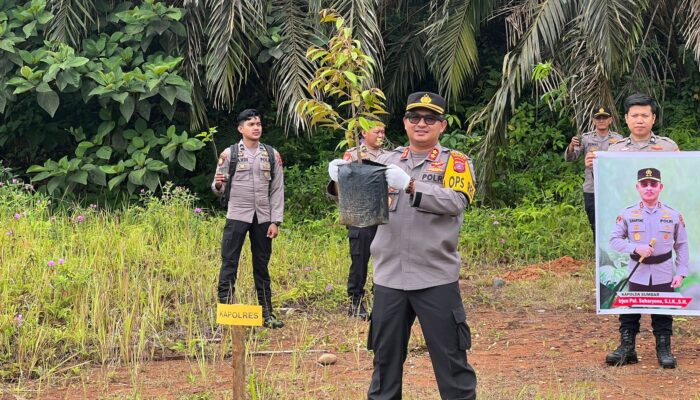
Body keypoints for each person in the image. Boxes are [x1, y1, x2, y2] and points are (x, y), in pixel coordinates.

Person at [328, 92, 477, 399]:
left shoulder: (457, 162)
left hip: (435, 277)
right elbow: (358, 205)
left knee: (452, 365)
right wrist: (339, 179)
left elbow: (456, 202)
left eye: (430, 118)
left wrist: (410, 185)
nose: (421, 124)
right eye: (414, 118)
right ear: (405, 123)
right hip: (389, 279)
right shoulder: (385, 160)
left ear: (442, 125)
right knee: (384, 364)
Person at [587, 93, 682, 367]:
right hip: (632, 225)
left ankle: (664, 348)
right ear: (626, 119)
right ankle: (627, 346)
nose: (639, 120)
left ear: (653, 118)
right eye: (634, 115)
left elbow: (678, 176)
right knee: (631, 294)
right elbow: (606, 186)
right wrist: (593, 167)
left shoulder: (667, 147)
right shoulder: (614, 150)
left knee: (663, 298)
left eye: (645, 115)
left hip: (661, 225)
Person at [607, 167, 688, 368]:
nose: (649, 188)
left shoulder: (672, 214)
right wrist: (636, 247)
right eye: (644, 184)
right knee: (630, 311)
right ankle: (627, 348)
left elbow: (682, 245)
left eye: (653, 184)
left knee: (662, 313)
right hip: (638, 271)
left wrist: (682, 272)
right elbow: (614, 240)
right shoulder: (627, 214)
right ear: (638, 187)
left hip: (664, 271)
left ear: (660, 186)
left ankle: (664, 349)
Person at [212, 109, 285, 329]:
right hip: (237, 214)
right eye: (251, 124)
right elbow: (218, 187)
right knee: (229, 263)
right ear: (240, 128)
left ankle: (267, 314)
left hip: (263, 217)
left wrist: (275, 220)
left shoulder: (272, 154)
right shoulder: (229, 153)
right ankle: (224, 314)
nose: (256, 128)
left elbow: (278, 189)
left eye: (259, 123)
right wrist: (217, 185)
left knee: (261, 266)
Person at [342, 125, 387, 319]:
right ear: (364, 133)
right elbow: (342, 185)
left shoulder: (390, 156)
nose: (381, 135)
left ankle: (382, 301)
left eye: (383, 132)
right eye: (376, 131)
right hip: (360, 215)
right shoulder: (353, 155)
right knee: (359, 260)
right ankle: (355, 302)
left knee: (384, 260)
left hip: (384, 215)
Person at [564, 106, 622, 238]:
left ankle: (613, 253)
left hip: (612, 189)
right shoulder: (585, 139)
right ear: (593, 121)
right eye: (598, 118)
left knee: (614, 223)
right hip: (592, 189)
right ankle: (599, 256)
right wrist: (572, 145)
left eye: (604, 118)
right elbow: (570, 158)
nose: (601, 120)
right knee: (594, 223)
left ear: (610, 120)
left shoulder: (618, 139)